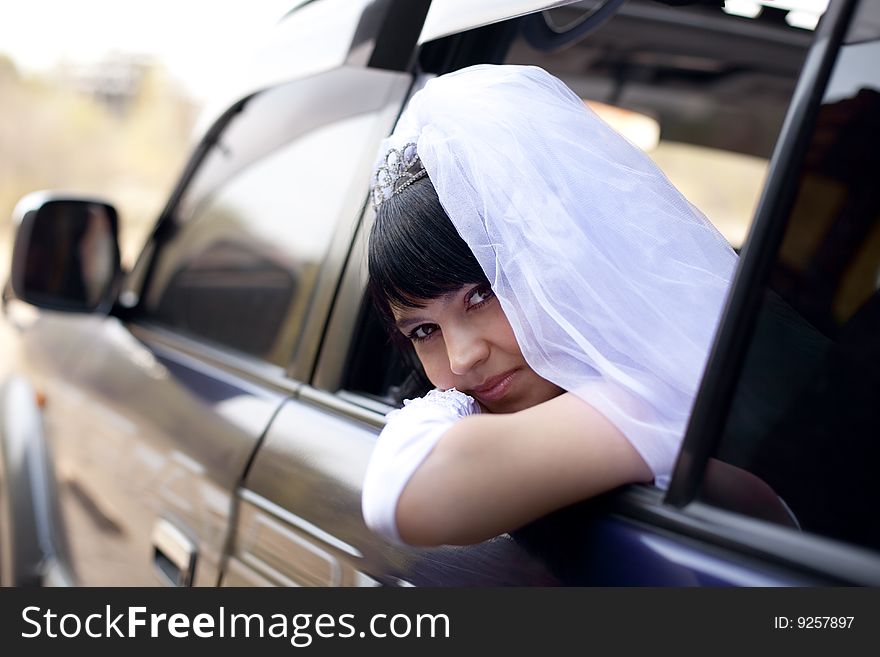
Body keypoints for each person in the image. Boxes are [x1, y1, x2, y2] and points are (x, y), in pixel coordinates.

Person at [361, 65, 738, 547]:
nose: (461, 358)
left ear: (553, 267)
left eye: (481, 295)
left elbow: (407, 491)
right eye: (423, 332)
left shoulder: (659, 389)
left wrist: (445, 404)